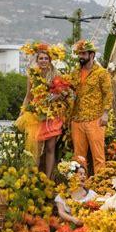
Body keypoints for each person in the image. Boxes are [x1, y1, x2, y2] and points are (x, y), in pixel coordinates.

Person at [17, 43, 73, 179]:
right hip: (36, 113)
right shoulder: (32, 75)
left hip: (52, 114)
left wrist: (57, 95)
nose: (43, 61)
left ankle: (48, 178)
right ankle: (33, 177)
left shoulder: (56, 74)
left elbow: (66, 92)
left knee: (50, 148)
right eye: (41, 58)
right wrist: (22, 112)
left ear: (50, 60)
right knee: (35, 148)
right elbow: (28, 96)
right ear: (37, 60)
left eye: (46, 58)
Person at [70, 39, 113, 174]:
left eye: (83, 54)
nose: (80, 57)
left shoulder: (101, 73)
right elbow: (71, 90)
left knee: (98, 156)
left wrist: (105, 113)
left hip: (95, 118)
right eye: (79, 54)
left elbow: (108, 94)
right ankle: (79, 186)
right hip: (77, 118)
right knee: (78, 157)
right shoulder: (75, 72)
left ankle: (100, 186)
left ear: (92, 55)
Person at [55, 163, 98, 232]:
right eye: (80, 174)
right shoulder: (63, 194)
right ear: (72, 176)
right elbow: (61, 212)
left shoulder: (91, 194)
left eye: (84, 174)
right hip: (70, 224)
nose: (83, 176)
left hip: (87, 224)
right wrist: (73, 219)